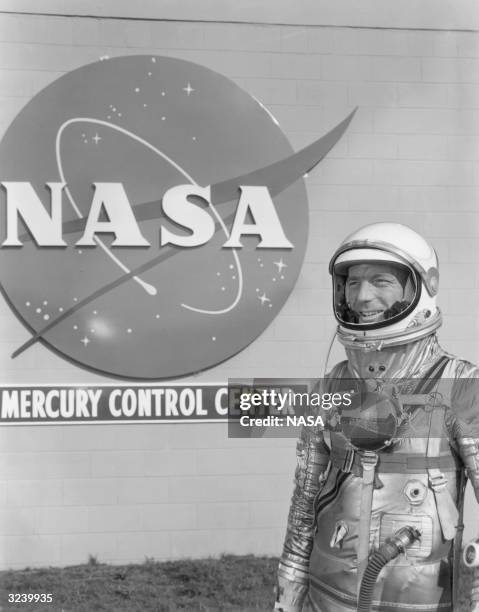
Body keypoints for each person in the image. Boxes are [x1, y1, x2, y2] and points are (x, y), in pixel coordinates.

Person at [275, 222, 479, 612]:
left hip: (418, 599)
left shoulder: (462, 386)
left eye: (381, 281)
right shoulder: (332, 383)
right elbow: (304, 499)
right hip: (327, 594)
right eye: (352, 283)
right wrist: (289, 585)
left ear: (420, 286)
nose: (363, 297)